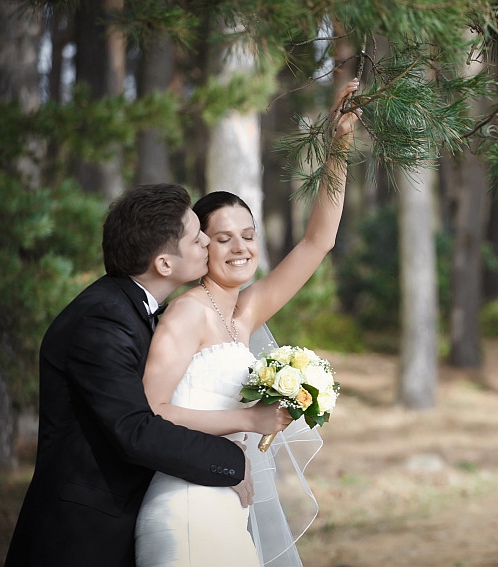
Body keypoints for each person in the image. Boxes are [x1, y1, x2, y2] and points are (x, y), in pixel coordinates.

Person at [134, 79, 361, 567]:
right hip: (186, 509)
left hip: (224, 504)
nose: (240, 248)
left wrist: (339, 142)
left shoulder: (244, 312)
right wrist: (248, 420)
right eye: (223, 238)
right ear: (200, 246)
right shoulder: (188, 312)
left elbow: (318, 240)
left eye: (248, 235)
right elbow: (150, 412)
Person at [4, 183, 290, 567]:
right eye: (197, 238)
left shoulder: (134, 310)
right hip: (80, 537)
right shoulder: (102, 319)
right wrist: (231, 460)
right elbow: (134, 429)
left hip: (126, 520)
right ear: (165, 264)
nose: (208, 242)